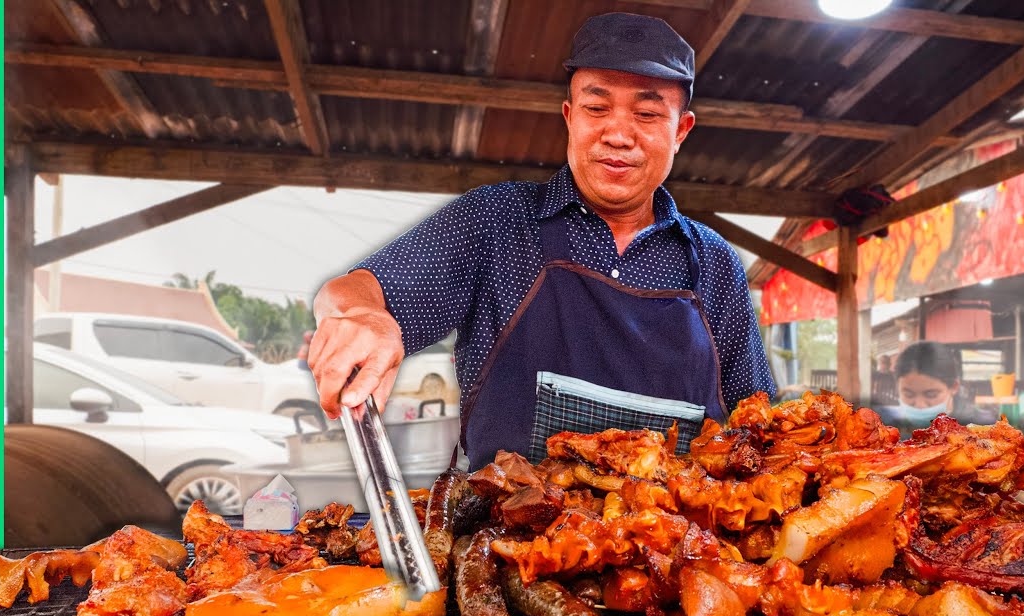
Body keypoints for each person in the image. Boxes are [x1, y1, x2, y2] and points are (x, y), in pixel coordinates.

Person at [309, 13, 776, 468]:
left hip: (677, 543)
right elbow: (352, 293)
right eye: (597, 108)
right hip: (504, 540)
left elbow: (758, 429)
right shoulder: (496, 222)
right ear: (570, 117)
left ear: (680, 131)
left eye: (648, 113)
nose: (617, 134)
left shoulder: (714, 263)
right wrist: (362, 315)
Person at [887, 341, 996, 432]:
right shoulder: (889, 431)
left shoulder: (983, 427)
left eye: (931, 395)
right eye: (908, 395)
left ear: (954, 387)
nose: (920, 405)